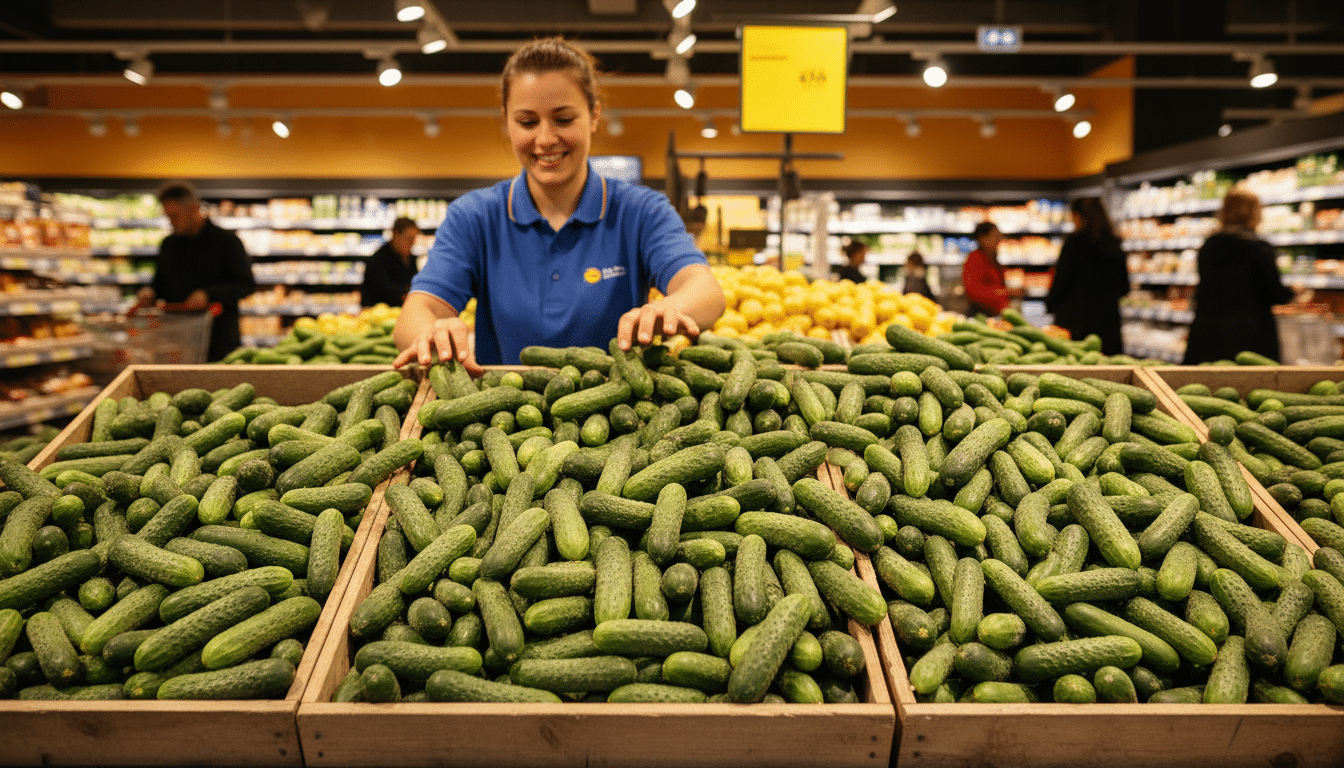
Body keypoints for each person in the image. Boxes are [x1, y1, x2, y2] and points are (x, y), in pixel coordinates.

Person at [394, 37, 724, 372]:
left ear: (594, 116)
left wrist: (671, 307)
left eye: (563, 119)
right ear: (506, 121)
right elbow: (417, 312)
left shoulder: (641, 211)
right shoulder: (475, 216)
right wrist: (430, 331)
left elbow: (705, 291)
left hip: (621, 414)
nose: (546, 139)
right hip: (503, 418)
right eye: (527, 122)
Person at [133, 181, 256, 362]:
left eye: (174, 216)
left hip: (219, 341)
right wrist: (150, 291)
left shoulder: (226, 242)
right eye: (168, 217)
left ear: (193, 208)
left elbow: (245, 284)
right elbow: (160, 282)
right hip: (175, 341)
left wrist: (209, 294)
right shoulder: (169, 244)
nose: (171, 222)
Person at [1183, 187, 1294, 364]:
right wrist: (1293, 292)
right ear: (1254, 213)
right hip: (1249, 334)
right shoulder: (1258, 247)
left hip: (1208, 332)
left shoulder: (1209, 246)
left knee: (1205, 383)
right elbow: (1275, 293)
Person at [1044, 197, 1130, 354]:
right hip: (1107, 325)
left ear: (1078, 216)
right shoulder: (1114, 244)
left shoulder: (1074, 244)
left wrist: (1050, 304)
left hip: (1074, 325)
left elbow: (1061, 283)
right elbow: (1124, 287)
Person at [361, 217, 421, 307]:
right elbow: (385, 291)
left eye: (414, 239)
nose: (412, 243)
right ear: (396, 235)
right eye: (409, 238)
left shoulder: (410, 258)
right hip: (378, 315)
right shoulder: (378, 259)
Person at [961, 221, 1015, 317]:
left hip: (996, 314)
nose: (999, 240)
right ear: (983, 238)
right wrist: (1007, 292)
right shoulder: (974, 259)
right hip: (981, 315)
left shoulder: (992, 257)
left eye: (1000, 237)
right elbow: (974, 292)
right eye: (995, 237)